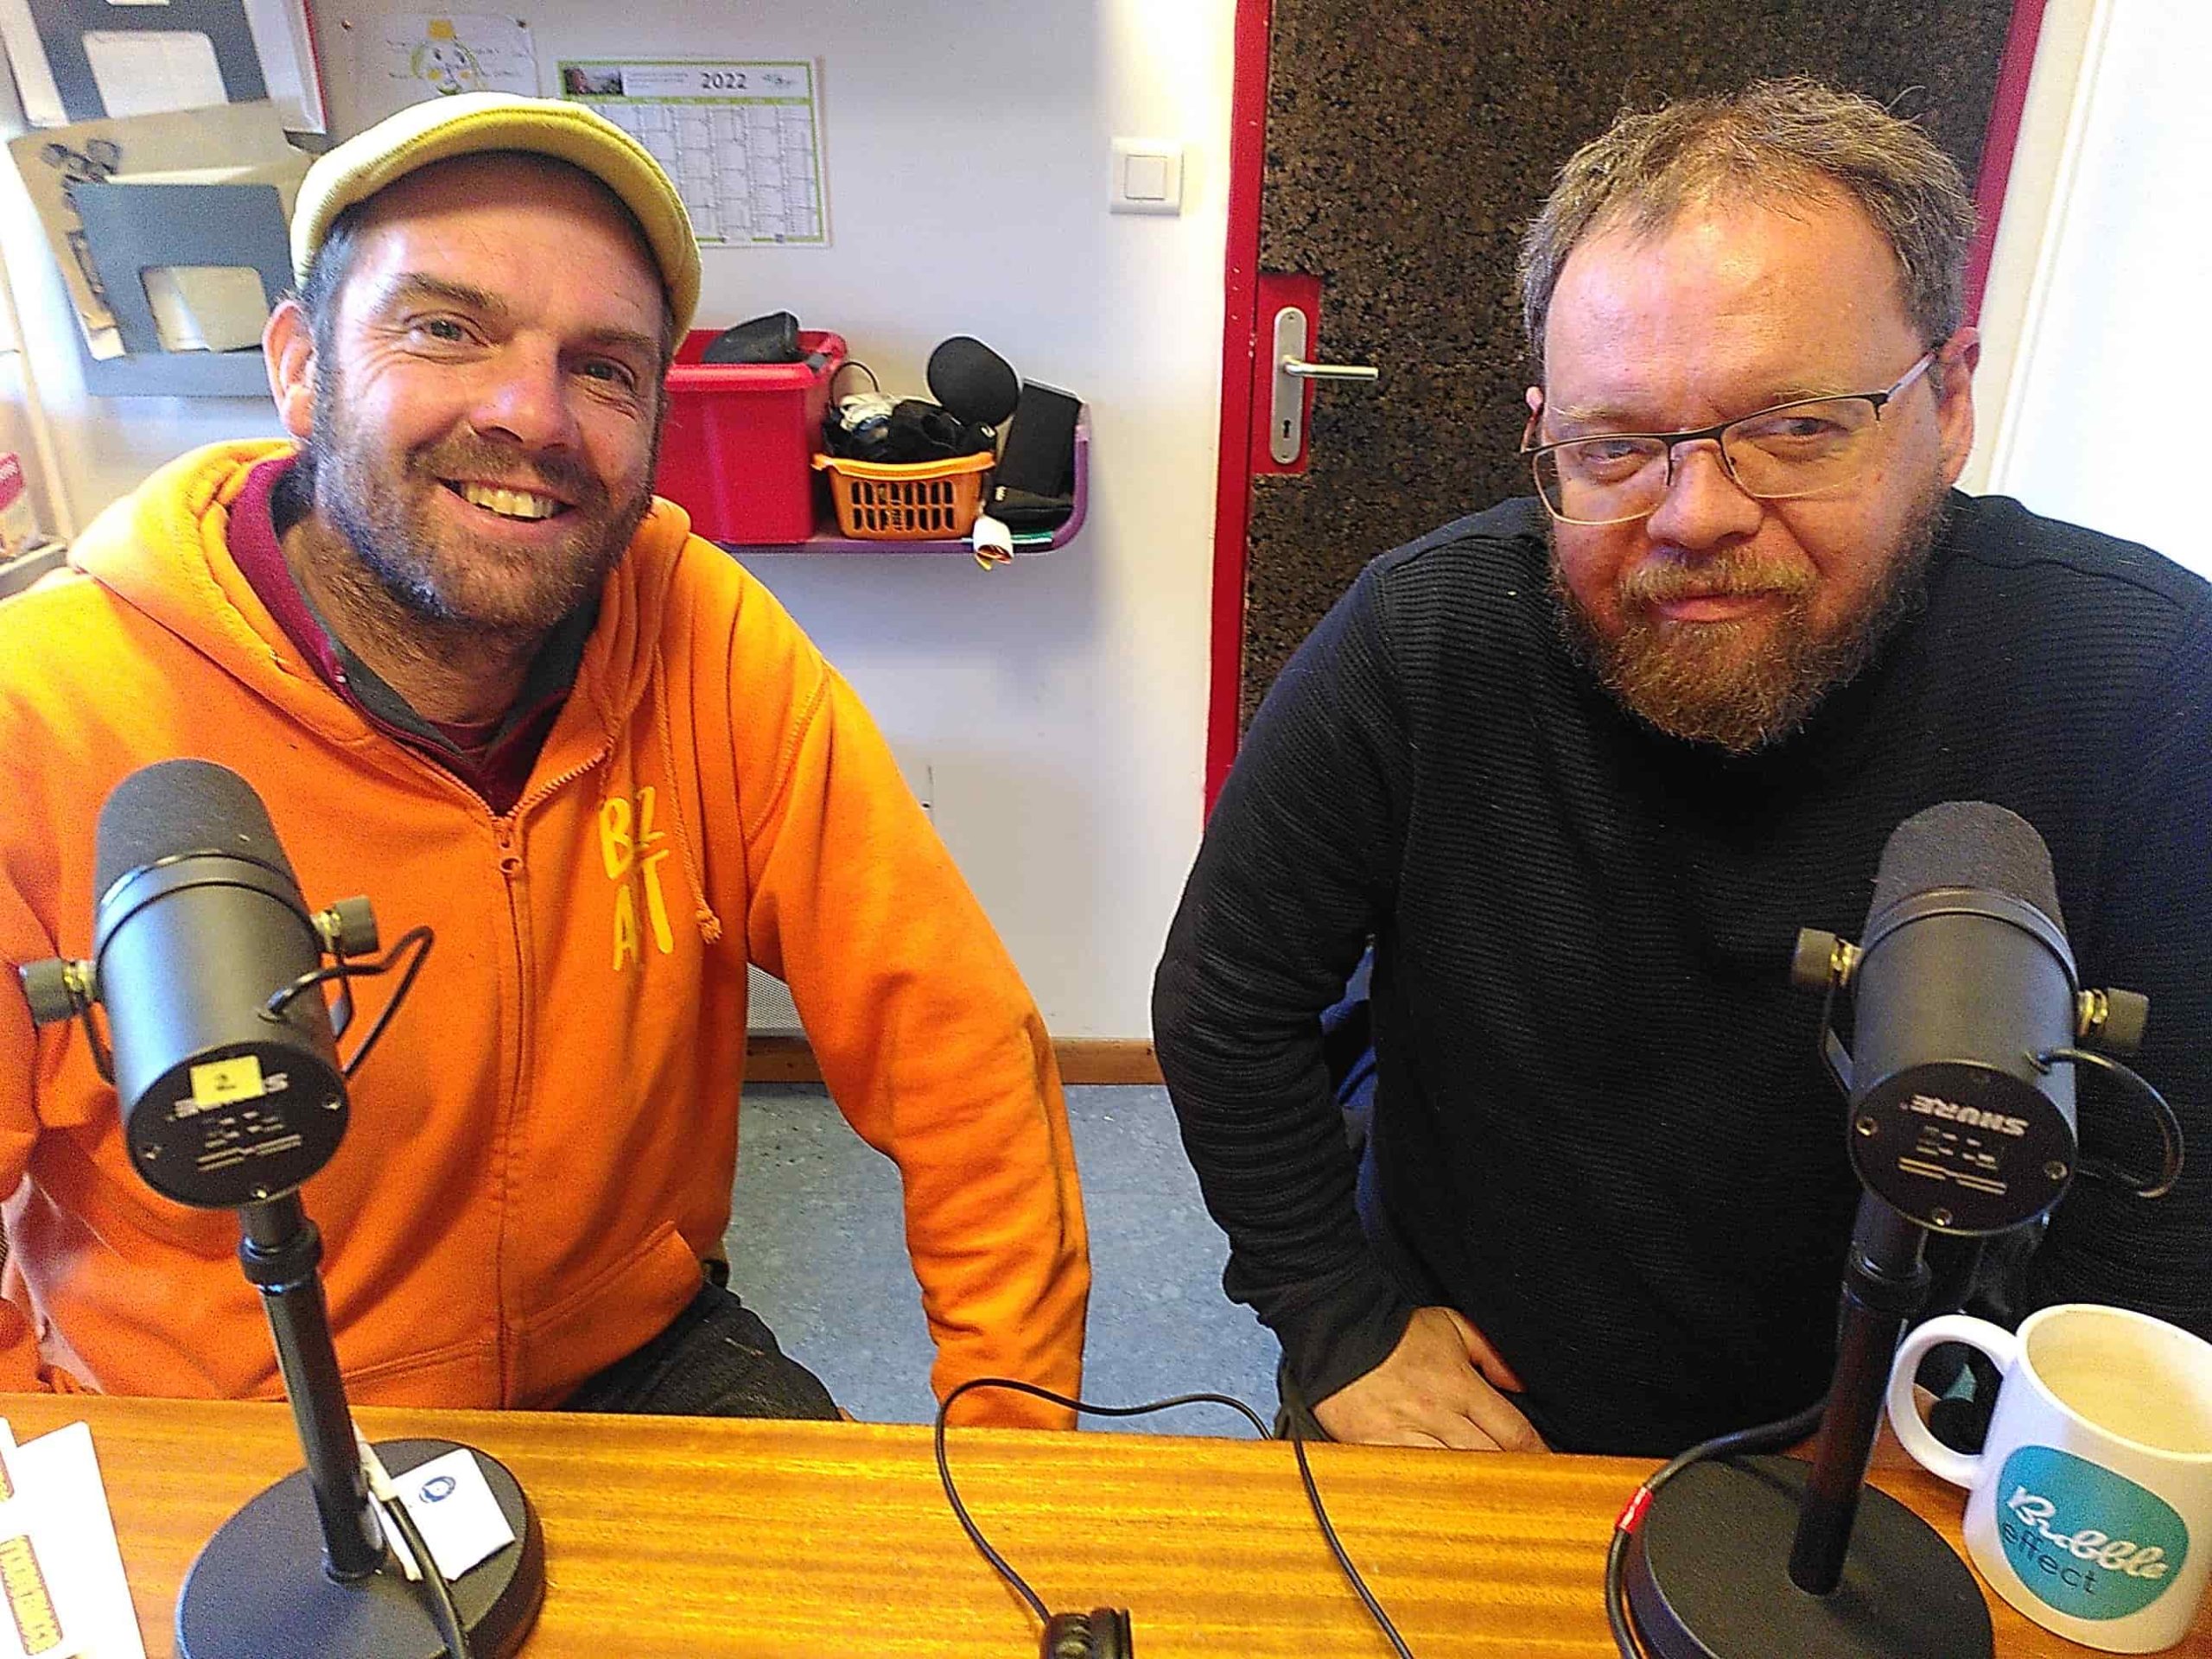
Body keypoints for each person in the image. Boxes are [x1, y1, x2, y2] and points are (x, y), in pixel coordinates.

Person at [1153, 78, 2211, 1458]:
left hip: (1910, 1431)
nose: (1695, 513)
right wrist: (1334, 1316)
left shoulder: (2140, 677)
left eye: (1794, 428)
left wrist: (2024, 1437)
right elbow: (1226, 1001)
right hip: (1475, 1416)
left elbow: (2177, 1147)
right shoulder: (1426, 636)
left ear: (1946, 403)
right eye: (1615, 446)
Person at [0, 94, 1089, 1427]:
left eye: (606, 366)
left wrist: (1016, 1437)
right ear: (300, 365)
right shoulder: (44, 708)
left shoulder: (699, 632)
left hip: (637, 1356)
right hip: (223, 1418)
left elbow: (957, 1049)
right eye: (447, 329)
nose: (534, 414)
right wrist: (56, 1476)